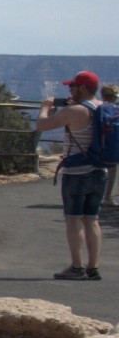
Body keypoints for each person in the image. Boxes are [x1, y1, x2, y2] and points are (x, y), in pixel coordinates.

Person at [36, 71, 105, 280]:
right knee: (92, 219)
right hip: (100, 171)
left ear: (82, 88)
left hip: (76, 173)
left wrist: (45, 108)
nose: (70, 90)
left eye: (73, 87)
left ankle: (77, 267)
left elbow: (42, 126)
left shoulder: (74, 111)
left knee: (74, 220)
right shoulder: (104, 108)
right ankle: (93, 268)